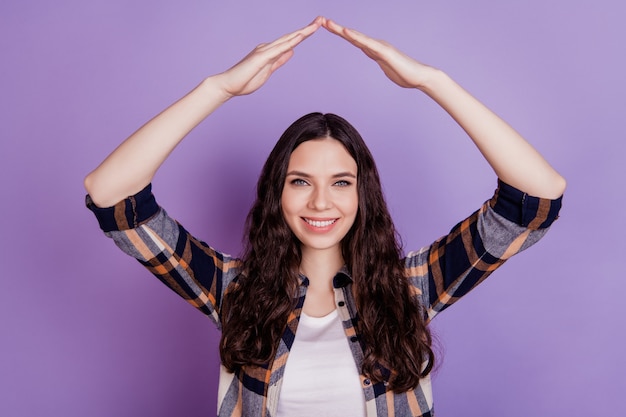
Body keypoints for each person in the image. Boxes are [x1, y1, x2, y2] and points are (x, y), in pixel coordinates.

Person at [85, 16, 565, 417]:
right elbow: (112, 197)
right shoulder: (234, 292)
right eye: (300, 181)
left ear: (362, 195)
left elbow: (536, 199)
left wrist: (430, 81)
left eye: (340, 182)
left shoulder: (411, 288)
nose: (320, 203)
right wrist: (219, 88)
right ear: (278, 193)